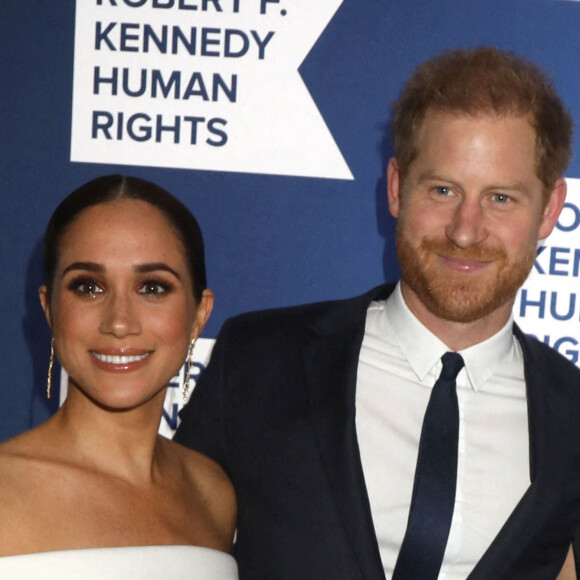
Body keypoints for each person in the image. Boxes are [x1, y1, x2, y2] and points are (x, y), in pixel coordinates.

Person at [175, 47, 580, 580]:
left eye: (501, 198)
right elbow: (170, 549)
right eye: (442, 189)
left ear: (551, 209)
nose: (465, 230)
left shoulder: (572, 419)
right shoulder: (258, 361)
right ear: (395, 187)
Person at [0, 175, 238, 578]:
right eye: (89, 287)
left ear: (199, 314)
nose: (120, 322)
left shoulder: (212, 494)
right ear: (49, 309)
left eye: (153, 287)